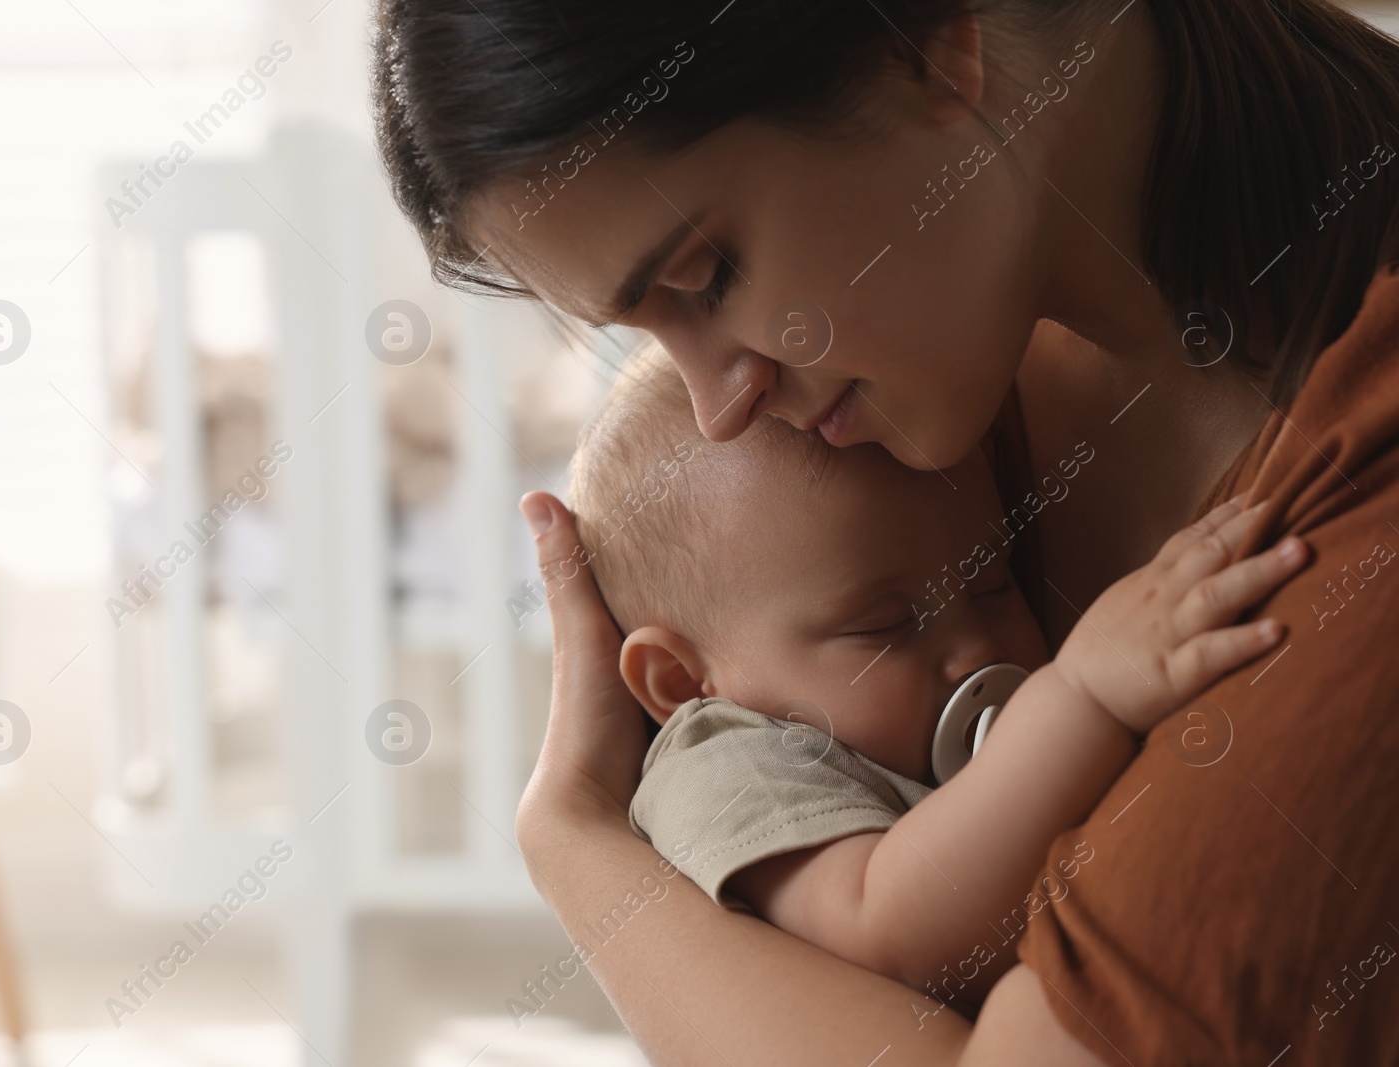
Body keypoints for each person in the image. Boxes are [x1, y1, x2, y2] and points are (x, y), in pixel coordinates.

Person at [372, 0, 1399, 1061]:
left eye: (705, 278)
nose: (718, 411)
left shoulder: (1360, 522)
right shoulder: (911, 426)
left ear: (922, 45)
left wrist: (578, 849)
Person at [566, 344, 1305, 1013]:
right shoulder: (725, 759)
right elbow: (892, 929)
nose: (973, 652)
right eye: (884, 624)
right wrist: (1081, 696)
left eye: (991, 583)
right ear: (681, 679)